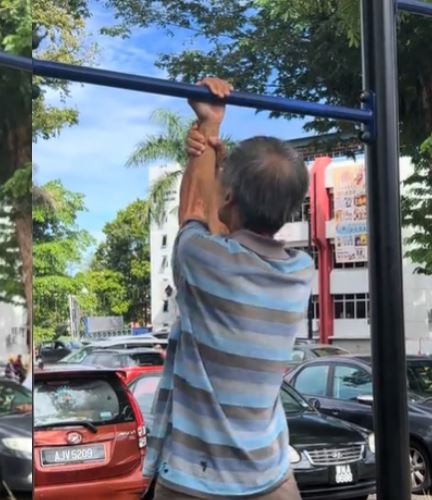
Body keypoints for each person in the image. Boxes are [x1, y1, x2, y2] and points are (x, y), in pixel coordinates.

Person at [142, 78, 313, 500]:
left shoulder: (202, 258)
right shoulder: (299, 271)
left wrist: (209, 128)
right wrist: (213, 159)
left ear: (230, 196)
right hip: (271, 479)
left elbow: (194, 215)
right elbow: (220, 235)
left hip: (195, 484)